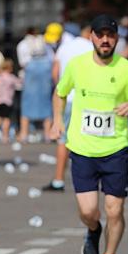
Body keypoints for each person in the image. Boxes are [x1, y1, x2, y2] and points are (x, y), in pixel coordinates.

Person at [50, 14, 128, 254]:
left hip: (115, 149)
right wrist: (57, 122)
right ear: (92, 37)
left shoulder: (127, 69)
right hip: (83, 149)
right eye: (101, 34)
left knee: (115, 210)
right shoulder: (77, 65)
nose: (105, 39)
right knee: (88, 211)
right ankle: (94, 230)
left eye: (110, 35)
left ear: (117, 38)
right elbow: (60, 93)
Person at [43, 24, 93, 192]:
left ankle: (58, 180)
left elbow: (55, 73)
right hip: (87, 99)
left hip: (67, 99)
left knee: (63, 140)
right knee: (89, 138)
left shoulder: (64, 48)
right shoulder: (90, 47)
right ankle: (90, 178)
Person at [19, 27, 55, 142]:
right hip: (44, 72)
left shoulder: (22, 44)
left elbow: (22, 62)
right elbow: (52, 59)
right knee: (46, 101)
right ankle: (47, 134)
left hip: (31, 74)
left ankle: (24, 134)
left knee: (27, 102)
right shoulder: (45, 42)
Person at [0, 59, 21, 143]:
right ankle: (5, 137)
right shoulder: (11, 78)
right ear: (10, 68)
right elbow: (19, 84)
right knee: (6, 119)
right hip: (7, 101)